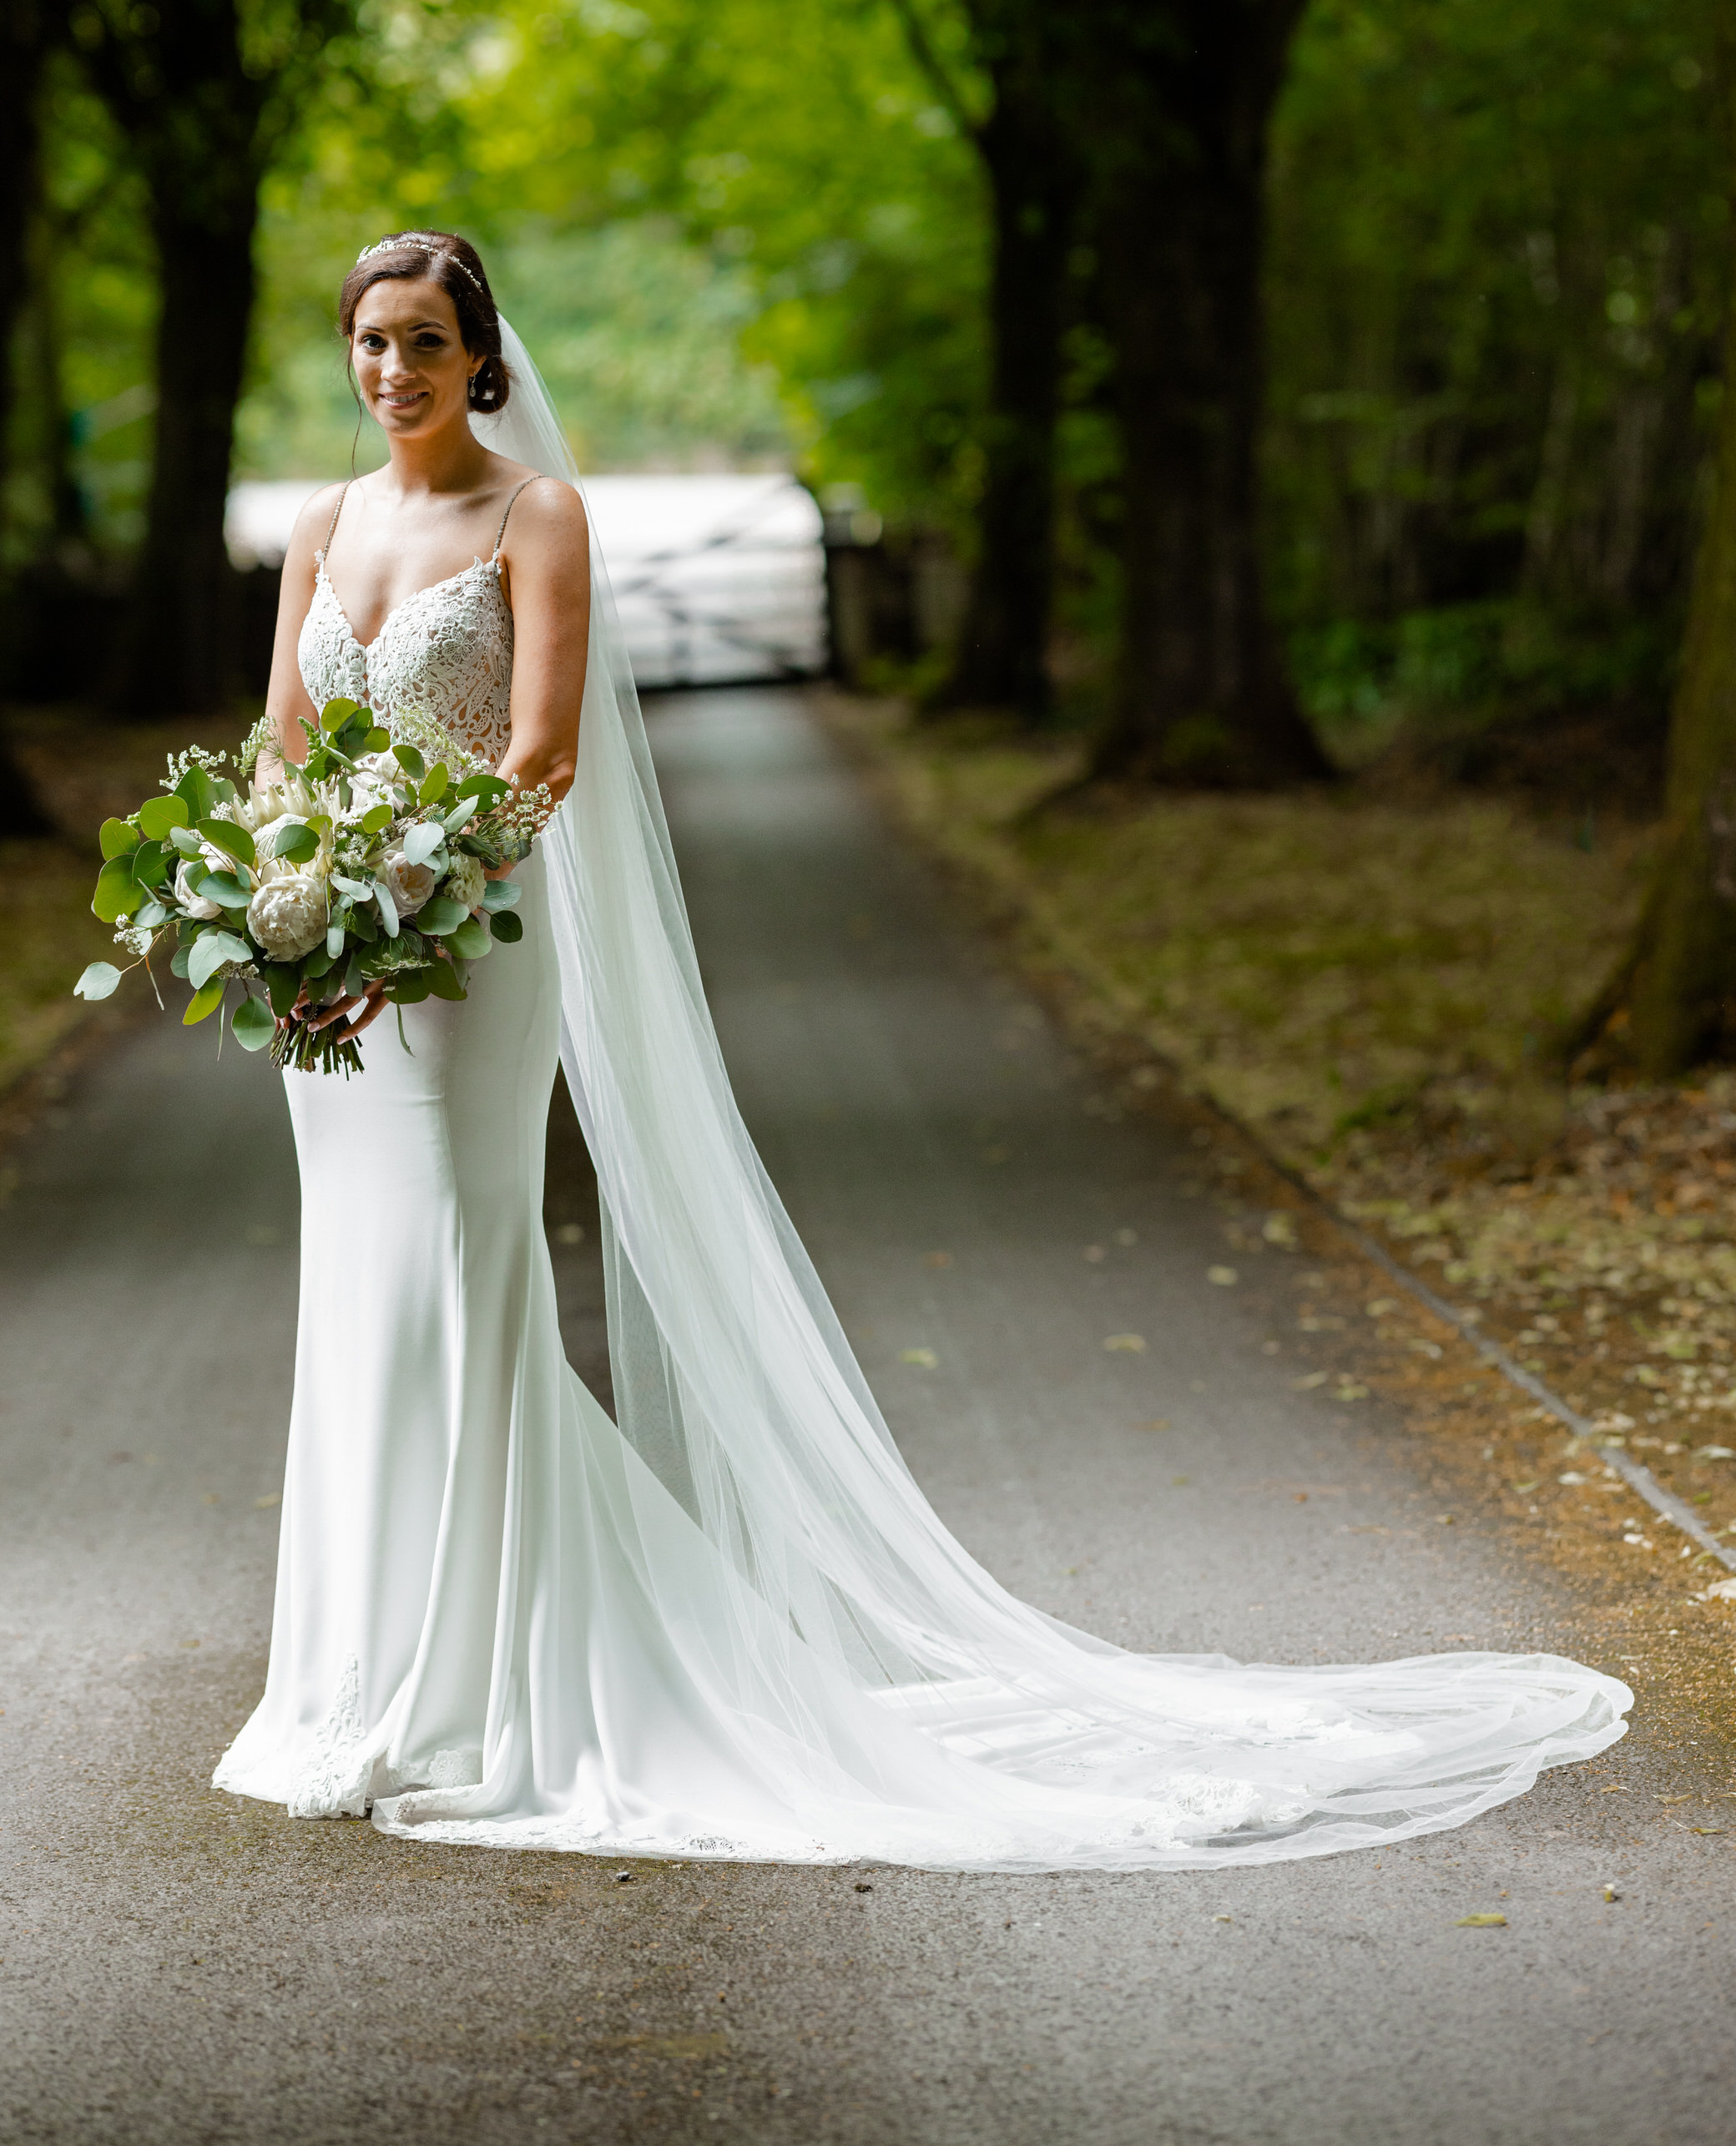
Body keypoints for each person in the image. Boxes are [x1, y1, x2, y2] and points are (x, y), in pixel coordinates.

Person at [214, 230, 1630, 1871]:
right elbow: (278, 747)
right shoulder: (323, 525)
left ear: (483, 360)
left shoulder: (537, 519)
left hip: (465, 960)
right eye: (369, 343)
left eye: (422, 341)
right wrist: (276, 909)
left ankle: (467, 1692)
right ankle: (353, 1671)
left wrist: (409, 906)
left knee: (459, 1289)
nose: (391, 370)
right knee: (359, 1296)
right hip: (330, 983)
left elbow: (535, 760)